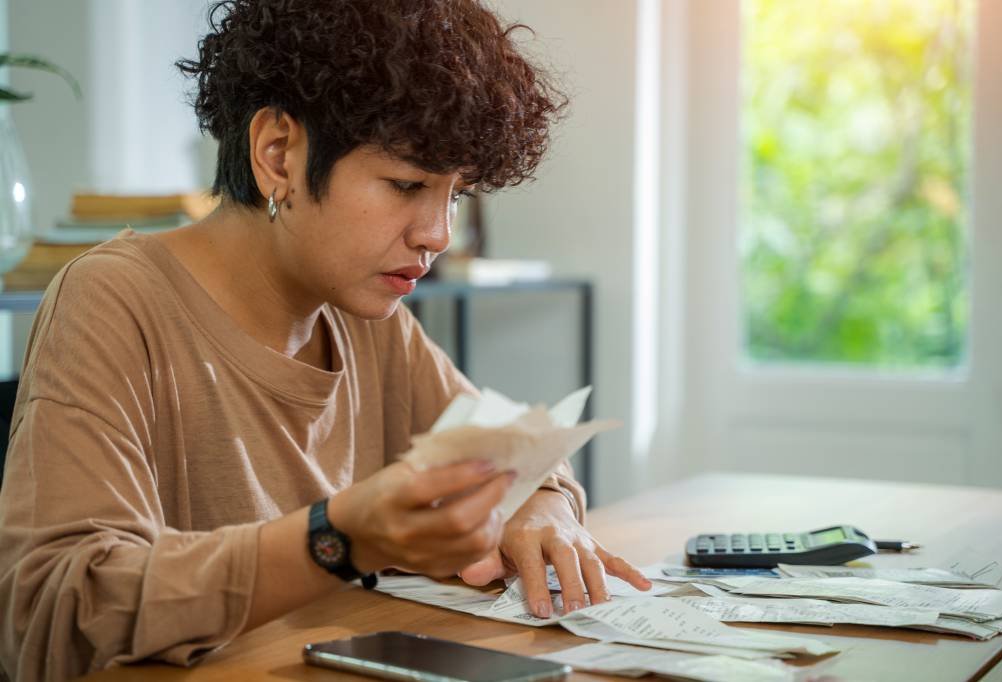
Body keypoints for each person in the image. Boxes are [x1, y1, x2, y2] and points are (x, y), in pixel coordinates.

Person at [0, 1, 651, 679]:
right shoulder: (112, 301)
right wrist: (336, 538)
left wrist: (541, 501)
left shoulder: (368, 321)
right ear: (278, 154)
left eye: (455, 193)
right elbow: (51, 611)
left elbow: (514, 448)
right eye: (407, 184)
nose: (439, 234)